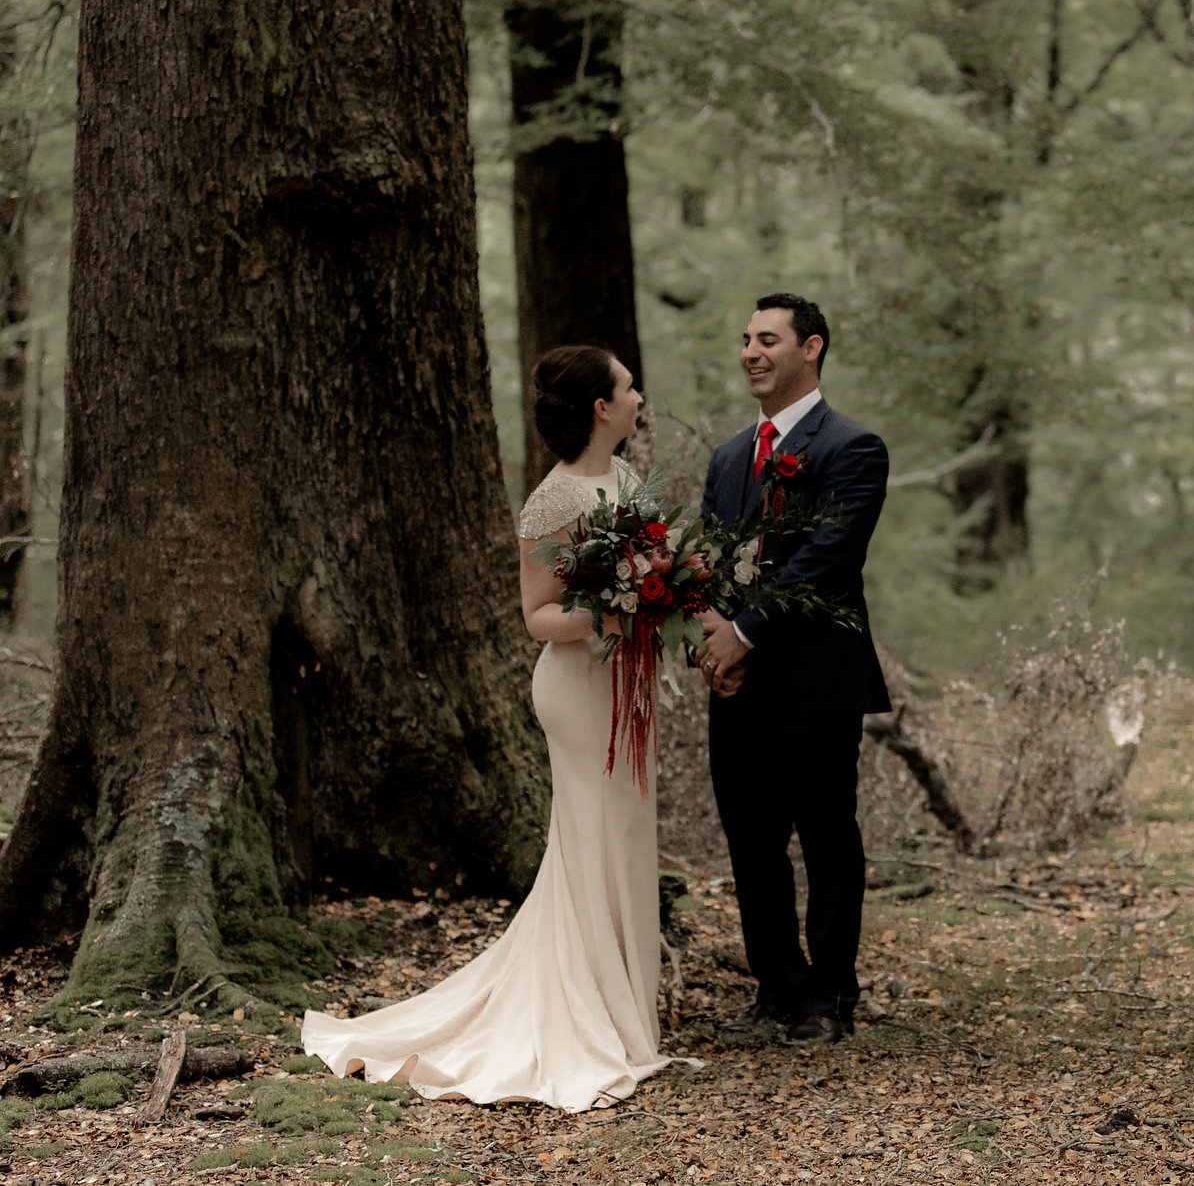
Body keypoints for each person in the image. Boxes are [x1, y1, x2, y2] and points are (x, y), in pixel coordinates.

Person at [301, 346, 668, 1112]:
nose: (638, 395)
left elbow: (653, 568)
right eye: (628, 386)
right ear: (601, 407)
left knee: (628, 836)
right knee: (591, 837)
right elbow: (537, 615)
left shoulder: (627, 478)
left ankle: (630, 1016)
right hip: (577, 690)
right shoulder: (550, 501)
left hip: (625, 684)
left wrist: (663, 593)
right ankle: (588, 1017)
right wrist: (610, 610)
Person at [695, 292, 891, 1045]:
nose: (751, 350)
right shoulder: (727, 457)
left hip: (815, 682)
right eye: (746, 337)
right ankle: (777, 985)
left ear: (811, 348)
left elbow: (827, 561)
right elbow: (706, 563)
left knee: (826, 837)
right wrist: (711, 645)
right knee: (750, 840)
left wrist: (743, 632)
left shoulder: (854, 448)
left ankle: (831, 993)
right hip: (737, 684)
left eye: (768, 338)